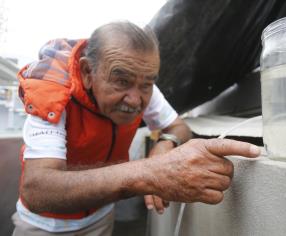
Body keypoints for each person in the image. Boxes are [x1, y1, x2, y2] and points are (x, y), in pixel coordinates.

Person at [11, 21, 261, 235]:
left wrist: (165, 145)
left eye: (147, 84)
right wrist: (152, 172)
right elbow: (37, 189)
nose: (136, 100)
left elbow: (178, 126)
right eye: (121, 81)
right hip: (43, 226)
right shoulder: (53, 93)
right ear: (88, 72)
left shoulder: (140, 86)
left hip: (102, 217)